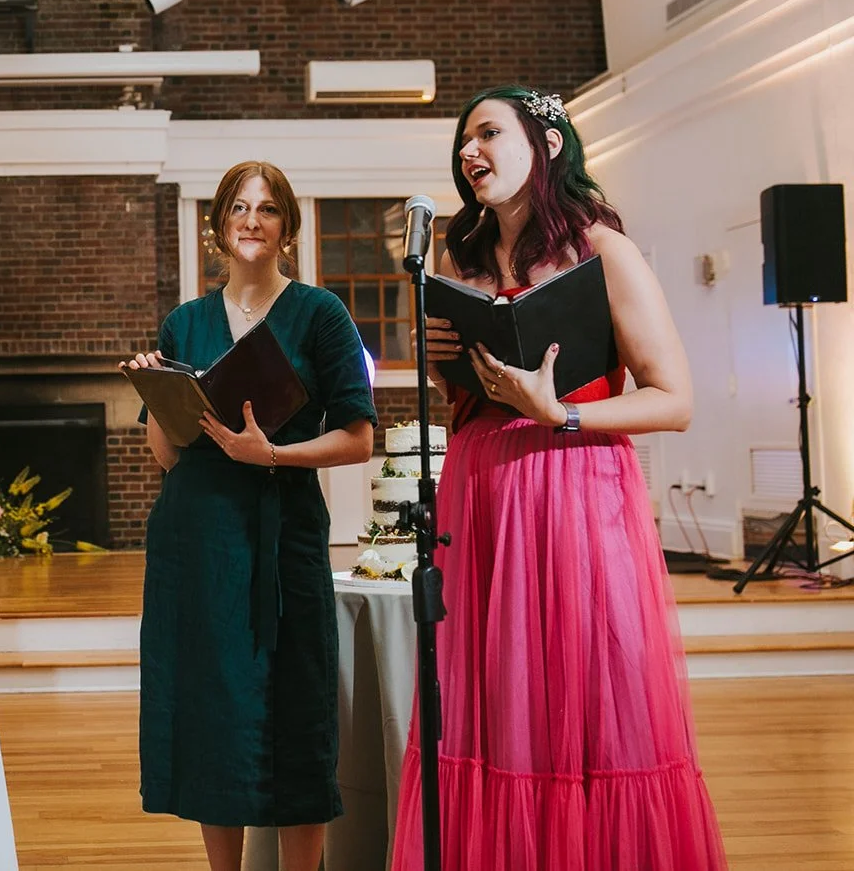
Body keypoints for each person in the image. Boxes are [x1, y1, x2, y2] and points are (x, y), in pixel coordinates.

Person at [391, 86, 724, 869]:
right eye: (462, 141)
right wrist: (446, 363)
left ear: (544, 143)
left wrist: (561, 411)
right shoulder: (457, 258)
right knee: (495, 705)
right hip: (482, 496)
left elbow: (673, 399)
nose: (470, 152)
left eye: (487, 134)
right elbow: (462, 404)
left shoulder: (601, 249)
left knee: (588, 702)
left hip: (574, 491)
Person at [123, 161, 377, 871]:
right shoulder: (186, 321)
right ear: (218, 227)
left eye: (267, 209)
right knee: (215, 711)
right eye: (239, 207)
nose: (251, 220)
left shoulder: (320, 313)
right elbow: (169, 456)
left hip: (283, 537)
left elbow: (359, 436)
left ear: (287, 227)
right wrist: (159, 389)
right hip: (198, 543)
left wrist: (272, 453)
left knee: (298, 709)